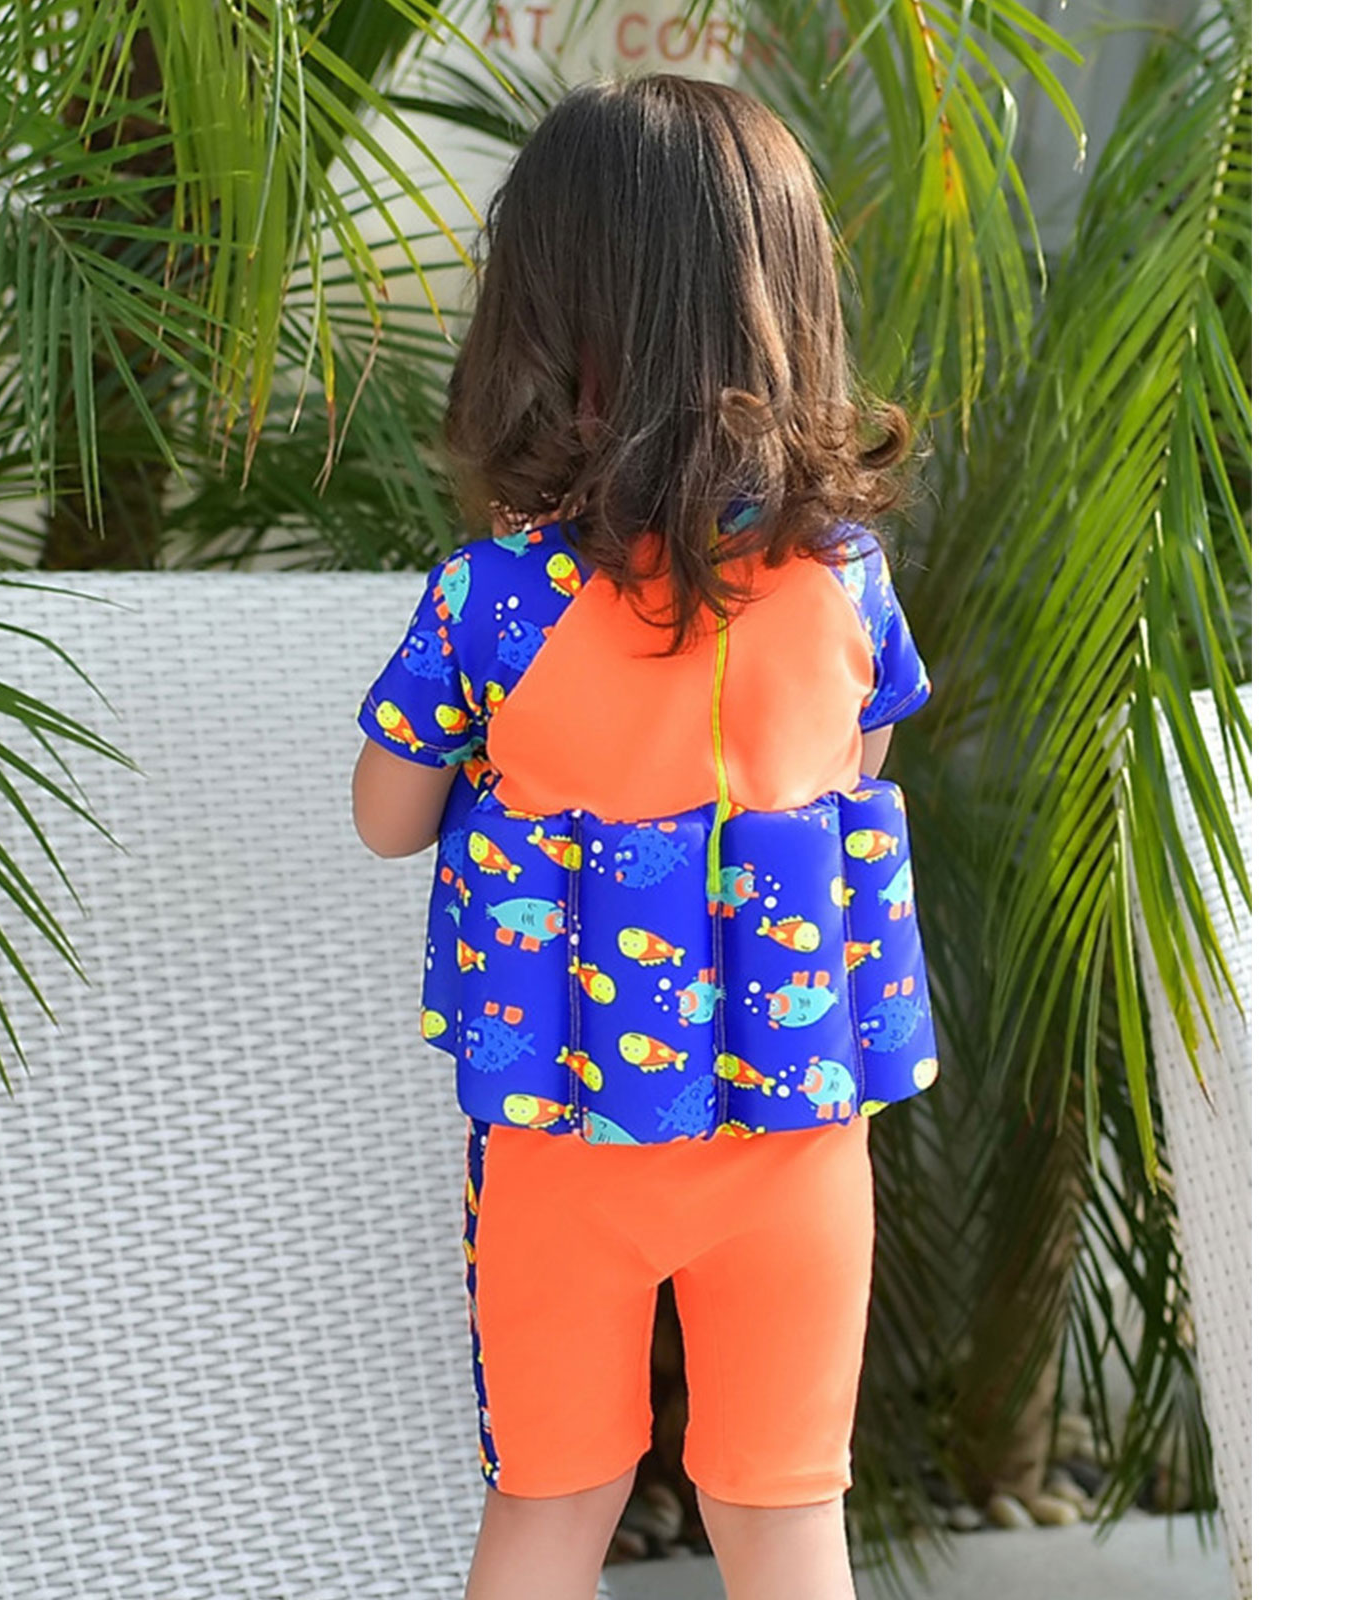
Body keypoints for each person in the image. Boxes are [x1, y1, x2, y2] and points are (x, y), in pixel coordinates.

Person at [352, 72, 938, 1600]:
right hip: (794, 1134)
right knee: (783, 1512)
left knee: (554, 1499)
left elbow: (385, 819)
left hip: (564, 1142)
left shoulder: (494, 600)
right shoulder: (845, 584)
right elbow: (854, 766)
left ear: (546, 326)